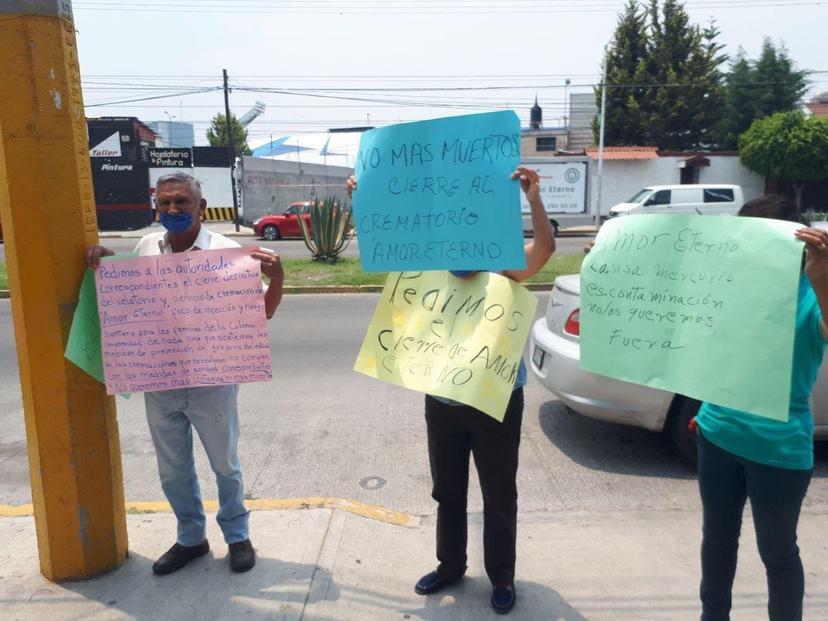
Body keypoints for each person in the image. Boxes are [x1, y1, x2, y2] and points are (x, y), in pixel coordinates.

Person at [347, 166, 554, 614]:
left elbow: (545, 250)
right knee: (448, 489)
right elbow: (381, 247)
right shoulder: (426, 270)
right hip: (441, 399)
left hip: (495, 400)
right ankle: (451, 565)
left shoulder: (505, 268)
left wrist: (534, 200)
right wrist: (365, 202)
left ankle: (501, 576)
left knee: (499, 492)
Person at [86, 172, 284, 575]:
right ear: (156, 207)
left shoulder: (229, 252)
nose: (173, 209)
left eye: (182, 202)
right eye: (165, 203)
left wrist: (276, 278)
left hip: (212, 380)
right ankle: (191, 538)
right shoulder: (145, 246)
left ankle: (237, 536)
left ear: (201, 207)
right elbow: (131, 295)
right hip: (160, 380)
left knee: (225, 463)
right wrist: (105, 263)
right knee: (172, 468)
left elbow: (261, 312)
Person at [694, 195, 828, 621]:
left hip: (779, 448)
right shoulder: (732, 285)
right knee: (717, 539)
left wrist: (823, 278)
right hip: (716, 431)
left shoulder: (812, 292)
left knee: (778, 552)